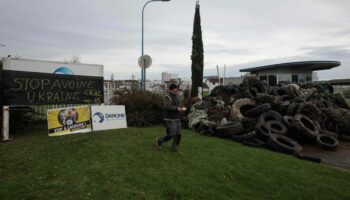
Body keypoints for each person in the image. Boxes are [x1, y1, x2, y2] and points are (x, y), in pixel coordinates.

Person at [155, 83, 186, 152]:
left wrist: (182, 108)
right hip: (170, 119)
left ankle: (174, 146)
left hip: (177, 118)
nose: (177, 89)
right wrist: (177, 108)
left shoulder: (177, 97)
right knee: (171, 134)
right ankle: (159, 141)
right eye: (176, 88)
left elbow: (178, 105)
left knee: (178, 134)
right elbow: (167, 106)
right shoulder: (167, 96)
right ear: (172, 89)